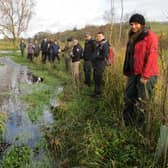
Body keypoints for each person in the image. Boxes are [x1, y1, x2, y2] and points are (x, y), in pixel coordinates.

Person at [123, 14, 159, 126]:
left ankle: (141, 128)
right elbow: (129, 56)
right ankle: (127, 122)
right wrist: (127, 71)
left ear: (142, 24)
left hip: (146, 75)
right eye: (132, 24)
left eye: (136, 24)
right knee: (128, 97)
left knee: (143, 101)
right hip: (134, 73)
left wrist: (146, 75)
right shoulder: (132, 37)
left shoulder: (149, 36)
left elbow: (152, 56)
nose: (133, 26)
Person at [92, 32, 109, 98]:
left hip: (101, 65)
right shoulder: (98, 44)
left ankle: (99, 94)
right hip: (96, 64)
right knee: (95, 79)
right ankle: (95, 92)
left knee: (99, 79)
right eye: (97, 36)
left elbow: (105, 56)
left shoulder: (105, 44)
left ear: (103, 37)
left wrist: (96, 56)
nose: (98, 37)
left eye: (100, 36)